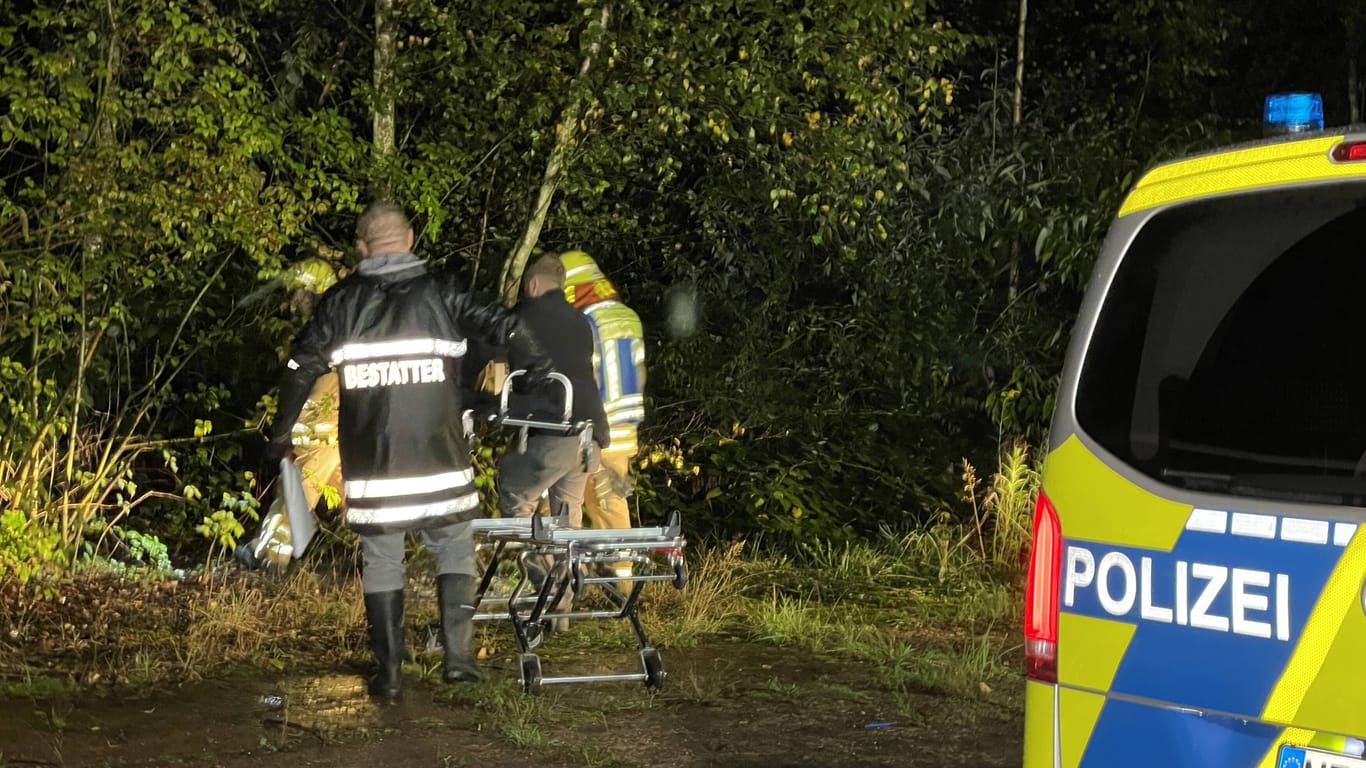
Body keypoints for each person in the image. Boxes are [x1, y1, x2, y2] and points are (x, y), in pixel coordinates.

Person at [263, 201, 554, 699]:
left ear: (361, 249)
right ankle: (458, 661)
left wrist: (280, 432)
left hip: (376, 468)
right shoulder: (443, 291)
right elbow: (507, 327)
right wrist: (541, 370)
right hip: (441, 463)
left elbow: (300, 367)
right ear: (412, 238)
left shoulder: (340, 303)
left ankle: (391, 673)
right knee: (454, 549)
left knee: (381, 559)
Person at [236, 257, 344, 571]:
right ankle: (377, 557)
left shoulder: (324, 327)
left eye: (299, 292)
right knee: (351, 492)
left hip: (325, 421)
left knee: (300, 485)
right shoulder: (346, 319)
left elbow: (302, 377)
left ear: (314, 289)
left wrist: (281, 433)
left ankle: (268, 556)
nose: (293, 301)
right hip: (349, 421)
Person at [497, 254, 611, 526]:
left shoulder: (521, 318)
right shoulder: (581, 322)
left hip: (551, 433)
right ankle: (564, 569)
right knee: (567, 519)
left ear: (533, 285)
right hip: (589, 436)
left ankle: (532, 566)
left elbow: (490, 364)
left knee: (516, 495)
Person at [559, 250, 646, 582]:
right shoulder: (629, 316)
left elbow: (584, 376)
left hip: (592, 428)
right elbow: (639, 370)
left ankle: (570, 576)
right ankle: (621, 579)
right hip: (625, 426)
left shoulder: (583, 321)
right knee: (611, 504)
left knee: (566, 502)